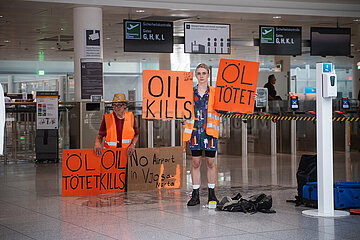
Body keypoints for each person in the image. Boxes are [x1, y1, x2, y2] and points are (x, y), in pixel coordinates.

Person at [183, 63, 219, 206]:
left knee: (210, 163)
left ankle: (212, 194)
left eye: (204, 73)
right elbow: (181, 110)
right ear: (195, 75)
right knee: (196, 162)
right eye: (199, 73)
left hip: (210, 133)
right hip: (194, 132)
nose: (201, 76)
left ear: (208, 75)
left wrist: (249, 100)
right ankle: (195, 195)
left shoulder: (215, 92)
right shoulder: (189, 93)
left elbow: (226, 108)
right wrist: (169, 115)